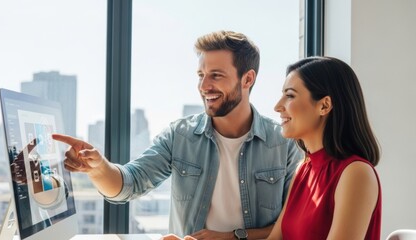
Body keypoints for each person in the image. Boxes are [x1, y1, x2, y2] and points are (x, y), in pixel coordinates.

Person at [52, 30, 303, 239]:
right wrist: (97, 168)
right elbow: (130, 183)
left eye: (216, 75)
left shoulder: (285, 143)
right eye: (201, 75)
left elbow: (293, 226)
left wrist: (231, 237)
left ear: (247, 79)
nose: (204, 87)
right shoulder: (180, 135)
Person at [267, 56, 382, 240]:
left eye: (289, 95)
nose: (277, 106)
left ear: (324, 105)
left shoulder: (356, 173)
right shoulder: (303, 169)